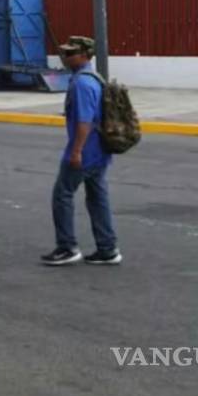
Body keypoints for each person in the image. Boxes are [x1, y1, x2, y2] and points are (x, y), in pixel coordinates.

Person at [41, 36, 121, 266]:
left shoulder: (82, 84)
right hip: (99, 151)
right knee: (97, 197)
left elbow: (85, 122)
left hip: (85, 151)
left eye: (70, 53)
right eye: (64, 52)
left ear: (85, 55)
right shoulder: (91, 78)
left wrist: (76, 152)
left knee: (62, 195)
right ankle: (107, 249)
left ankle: (67, 247)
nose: (65, 57)